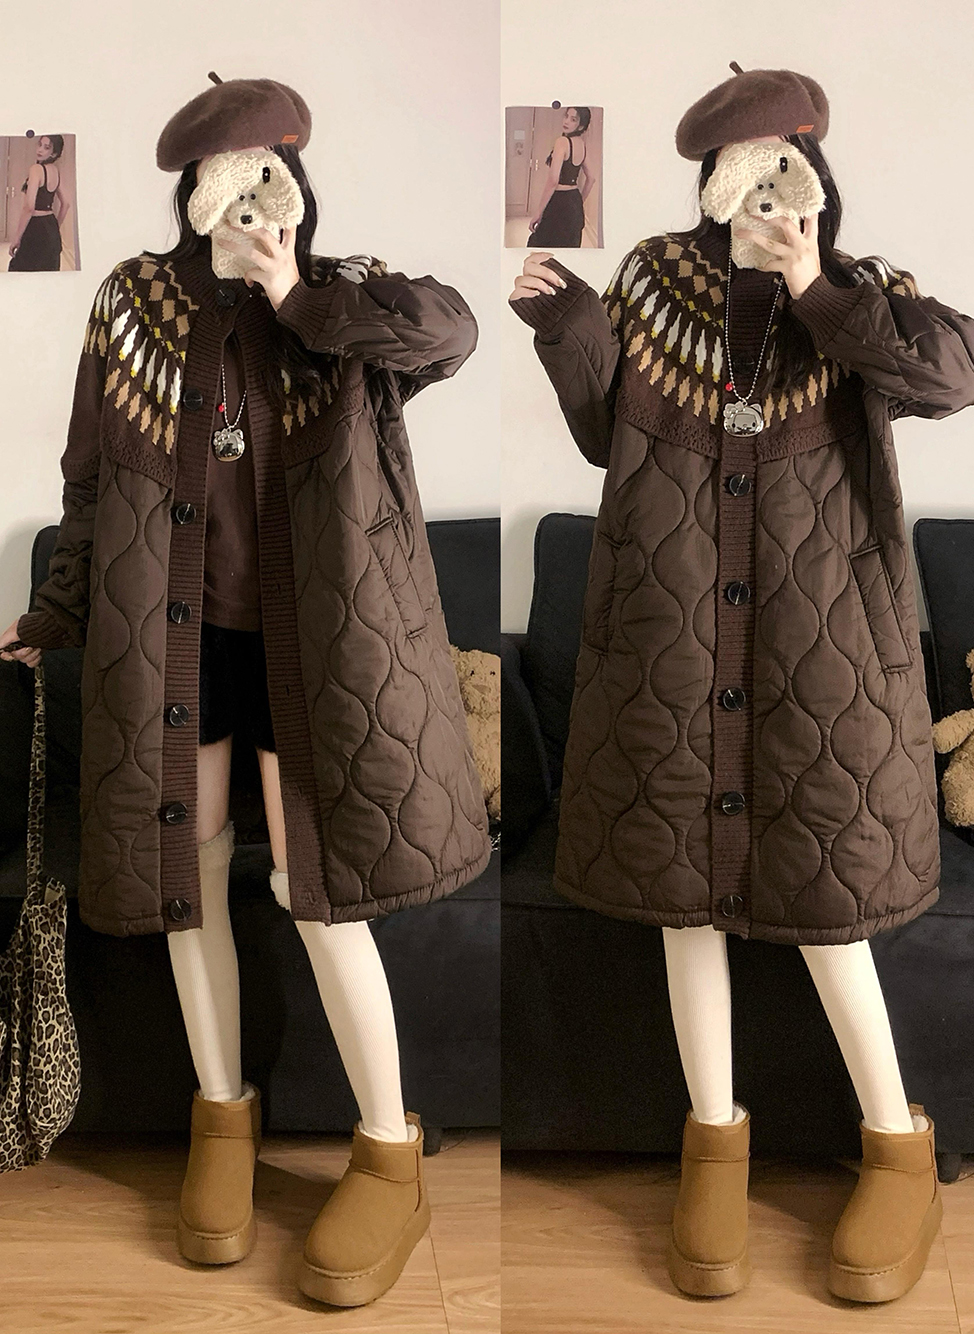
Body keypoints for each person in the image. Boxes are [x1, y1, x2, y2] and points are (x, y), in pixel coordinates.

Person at [1, 73, 491, 1307]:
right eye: (231, 183)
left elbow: (451, 334)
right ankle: (221, 1114)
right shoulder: (133, 305)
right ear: (191, 195)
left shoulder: (344, 299)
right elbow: (87, 480)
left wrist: (294, 292)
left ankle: (387, 1147)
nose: (255, 202)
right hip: (168, 644)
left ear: (298, 185)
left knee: (318, 894)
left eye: (274, 177)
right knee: (191, 878)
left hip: (319, 649)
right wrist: (57, 610)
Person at [508, 62, 974, 1304]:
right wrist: (568, 330)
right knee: (686, 907)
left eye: (790, 167)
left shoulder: (863, 291)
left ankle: (898, 1143)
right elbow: (606, 434)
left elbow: (956, 378)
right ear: (715, 181)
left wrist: (816, 285)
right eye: (751, 171)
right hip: (670, 649)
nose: (772, 191)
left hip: (821, 657)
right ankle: (711, 1144)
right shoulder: (653, 282)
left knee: (832, 914)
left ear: (815, 174)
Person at [526, 106, 593, 248]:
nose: (566, 121)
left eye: (573, 119)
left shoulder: (562, 142)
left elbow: (553, 180)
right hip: (574, 201)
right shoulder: (582, 144)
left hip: (559, 202)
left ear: (581, 126)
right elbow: (591, 179)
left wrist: (538, 212)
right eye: (566, 116)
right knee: (568, 248)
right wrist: (578, 202)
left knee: (542, 246)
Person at [8, 134, 66, 271]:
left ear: (54, 153)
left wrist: (16, 238)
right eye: (40, 145)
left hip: (35, 228)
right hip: (51, 227)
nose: (40, 150)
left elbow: (29, 207)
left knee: (20, 271)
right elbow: (66, 204)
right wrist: (55, 227)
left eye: (46, 147)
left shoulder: (36, 169)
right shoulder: (55, 171)